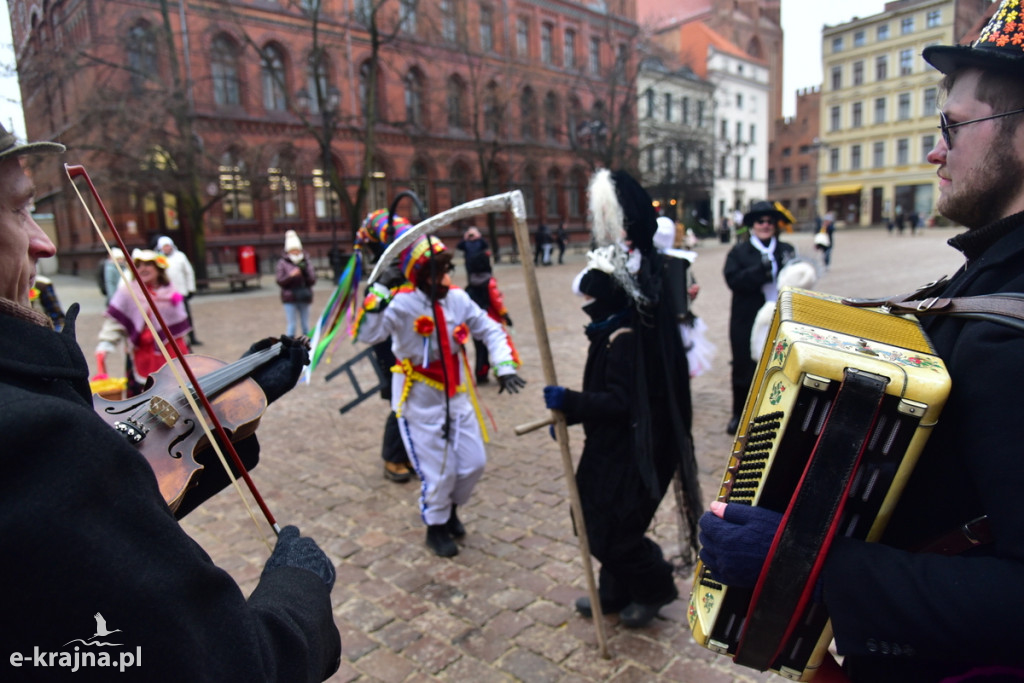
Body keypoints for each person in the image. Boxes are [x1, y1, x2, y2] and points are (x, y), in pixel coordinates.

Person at [699, 6, 1024, 679]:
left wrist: (813, 568)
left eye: (952, 127)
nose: (934, 150)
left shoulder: (1009, 334)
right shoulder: (988, 272)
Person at [0, 124, 340, 680]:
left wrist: (222, 398)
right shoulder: (34, 443)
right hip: (148, 373)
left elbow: (94, 513)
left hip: (166, 379)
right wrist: (298, 590)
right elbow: (232, 664)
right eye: (19, 211)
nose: (46, 242)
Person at [543, 170, 703, 628]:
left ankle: (653, 587)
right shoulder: (610, 330)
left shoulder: (628, 333)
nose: (586, 302)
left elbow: (623, 399)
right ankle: (614, 588)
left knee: (616, 528)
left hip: (638, 438)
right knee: (591, 517)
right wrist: (572, 413)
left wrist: (570, 403)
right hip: (610, 436)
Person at [356, 234, 525, 558]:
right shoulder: (402, 303)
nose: (447, 279)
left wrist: (504, 365)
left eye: (448, 271)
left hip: (457, 397)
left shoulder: (456, 299)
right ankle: (436, 526)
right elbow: (367, 333)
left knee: (474, 463)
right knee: (440, 472)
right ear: (421, 277)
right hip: (420, 402)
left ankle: (450, 510)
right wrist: (377, 291)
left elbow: (488, 327)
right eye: (438, 273)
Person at [722, 201, 796, 435]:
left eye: (769, 221)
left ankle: (771, 414)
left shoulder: (785, 249)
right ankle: (739, 414)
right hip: (747, 319)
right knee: (743, 366)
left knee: (778, 365)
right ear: (752, 225)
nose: (765, 225)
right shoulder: (739, 251)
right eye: (760, 221)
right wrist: (760, 270)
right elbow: (733, 280)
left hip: (780, 317)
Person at [355, 208, 415, 483]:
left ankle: (409, 454)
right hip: (392, 352)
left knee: (414, 403)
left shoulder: (405, 270)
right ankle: (393, 458)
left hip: (413, 347)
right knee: (400, 404)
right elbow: (370, 324)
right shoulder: (383, 276)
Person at [94, 248, 192, 396]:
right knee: (146, 396)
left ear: (158, 268)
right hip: (143, 354)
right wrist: (106, 343)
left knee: (177, 394)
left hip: (173, 352)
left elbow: (179, 324)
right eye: (138, 266)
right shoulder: (127, 292)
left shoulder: (170, 290)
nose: (142, 269)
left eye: (148, 265)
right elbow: (115, 322)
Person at [456, 226, 516, 384]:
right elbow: (497, 301)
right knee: (496, 343)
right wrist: (505, 315)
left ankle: (481, 373)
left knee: (480, 348)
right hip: (490, 317)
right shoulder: (489, 283)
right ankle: (501, 370)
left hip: (476, 321)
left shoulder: (469, 288)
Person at [157, 235, 201, 346]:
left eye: (168, 246)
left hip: (181, 292)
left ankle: (191, 338)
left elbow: (189, 272)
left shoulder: (180, 256)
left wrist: (191, 288)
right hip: (166, 296)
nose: (166, 248)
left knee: (185, 316)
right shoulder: (158, 259)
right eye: (164, 246)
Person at [276, 229, 317, 337]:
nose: (295, 252)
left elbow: (312, 280)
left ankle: (307, 347)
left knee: (305, 325)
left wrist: (304, 273)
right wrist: (291, 276)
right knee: (291, 325)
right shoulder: (282, 263)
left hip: (304, 295)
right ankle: (289, 347)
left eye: (297, 249)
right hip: (289, 297)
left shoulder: (306, 261)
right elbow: (280, 281)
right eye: (292, 250)